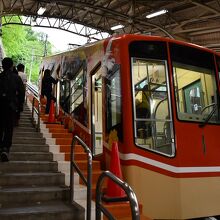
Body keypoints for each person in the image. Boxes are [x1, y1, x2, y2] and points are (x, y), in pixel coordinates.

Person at [0, 57, 25, 162]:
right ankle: (5, 149)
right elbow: (21, 93)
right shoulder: (16, 78)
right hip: (10, 107)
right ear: (11, 66)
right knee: (9, 128)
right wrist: (20, 107)